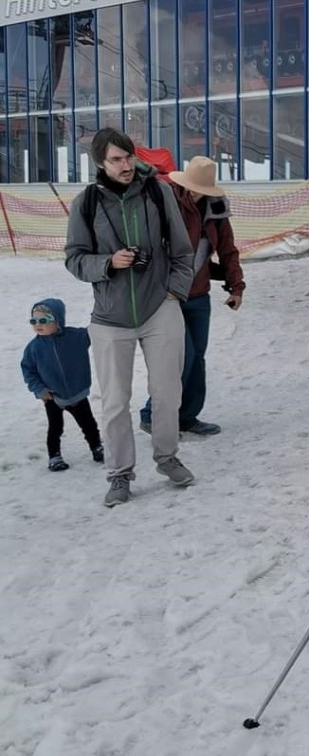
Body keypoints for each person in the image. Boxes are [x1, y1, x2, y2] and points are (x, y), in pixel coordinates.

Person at [65, 129, 196, 507]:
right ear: (100, 164)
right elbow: (74, 259)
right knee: (115, 402)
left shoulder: (158, 192)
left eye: (128, 157)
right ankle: (120, 474)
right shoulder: (85, 204)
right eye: (116, 160)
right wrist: (108, 263)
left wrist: (174, 293)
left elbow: (183, 250)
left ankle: (167, 457)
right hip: (109, 317)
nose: (125, 166)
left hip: (160, 308)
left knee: (168, 393)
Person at [139, 157, 245, 438]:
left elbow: (228, 250)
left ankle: (187, 416)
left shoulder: (217, 207)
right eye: (193, 187)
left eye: (202, 189)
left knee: (197, 357)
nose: (196, 193)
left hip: (199, 296)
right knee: (179, 358)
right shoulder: (165, 201)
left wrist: (236, 287)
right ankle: (152, 414)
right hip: (167, 296)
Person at [21, 298, 103, 472]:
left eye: (43, 320)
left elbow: (95, 330)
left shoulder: (76, 337)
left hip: (78, 393)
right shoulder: (33, 348)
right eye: (34, 321)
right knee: (55, 428)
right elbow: (28, 371)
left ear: (58, 320)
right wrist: (40, 390)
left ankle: (97, 447)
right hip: (53, 396)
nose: (38, 325)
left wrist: (102, 313)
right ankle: (54, 456)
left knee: (88, 424)